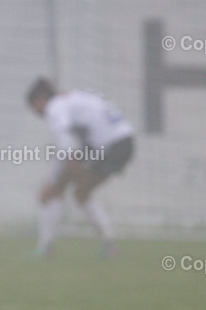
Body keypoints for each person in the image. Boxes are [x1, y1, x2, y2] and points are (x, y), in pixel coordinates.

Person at [25, 78, 135, 257]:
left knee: (61, 188)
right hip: (121, 142)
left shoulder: (55, 107)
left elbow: (65, 146)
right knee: (78, 191)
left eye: (34, 106)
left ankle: (47, 246)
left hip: (111, 145)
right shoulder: (72, 99)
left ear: (42, 98)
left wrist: (52, 182)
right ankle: (108, 244)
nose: (36, 112)